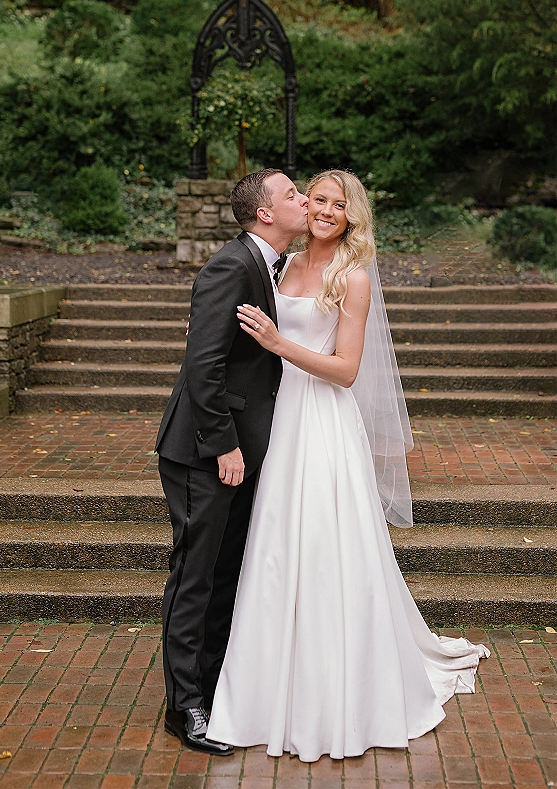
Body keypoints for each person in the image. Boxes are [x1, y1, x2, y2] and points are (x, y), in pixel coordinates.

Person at [206, 170, 489, 762]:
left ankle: (340, 689)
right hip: (278, 419)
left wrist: (279, 344)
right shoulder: (279, 268)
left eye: (340, 205)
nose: (327, 211)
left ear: (352, 216)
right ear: (304, 207)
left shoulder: (350, 279)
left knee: (328, 545)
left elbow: (346, 370)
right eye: (319, 201)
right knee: (277, 547)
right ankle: (265, 687)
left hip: (324, 422)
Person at [155, 168, 308, 755]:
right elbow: (203, 367)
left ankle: (214, 685)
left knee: (226, 571)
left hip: (243, 448)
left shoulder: (270, 267)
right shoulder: (229, 266)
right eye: (292, 194)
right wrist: (223, 446)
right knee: (195, 575)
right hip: (204, 450)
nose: (302, 200)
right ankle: (184, 705)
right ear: (265, 213)